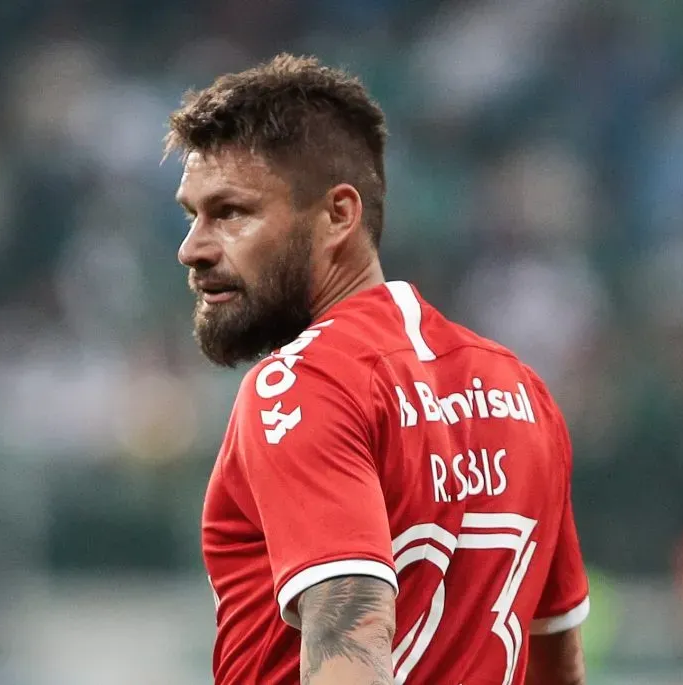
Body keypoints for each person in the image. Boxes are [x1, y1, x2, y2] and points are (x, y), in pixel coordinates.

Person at [166, 53, 589, 685]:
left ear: (340, 214)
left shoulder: (301, 384)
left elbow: (350, 637)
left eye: (230, 213)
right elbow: (556, 664)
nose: (192, 249)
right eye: (192, 214)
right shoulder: (520, 392)